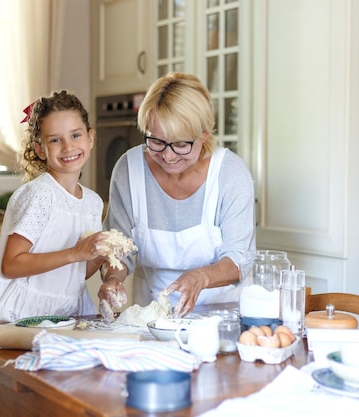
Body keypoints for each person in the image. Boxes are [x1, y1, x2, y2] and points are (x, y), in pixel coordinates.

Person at [0, 90, 112, 416]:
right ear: (40, 148)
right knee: (21, 410)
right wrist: (74, 252)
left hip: (64, 317)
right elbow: (11, 265)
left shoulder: (94, 202)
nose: (68, 147)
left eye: (75, 135)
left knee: (50, 402)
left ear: (91, 137)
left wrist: (96, 255)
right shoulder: (40, 196)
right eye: (55, 140)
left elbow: (75, 274)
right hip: (22, 318)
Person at [99, 72, 256, 319]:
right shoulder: (129, 170)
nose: (168, 156)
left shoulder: (230, 174)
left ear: (204, 134)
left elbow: (239, 260)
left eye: (181, 144)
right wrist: (112, 279)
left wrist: (200, 277)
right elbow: (119, 249)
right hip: (151, 318)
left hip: (222, 318)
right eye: (157, 142)